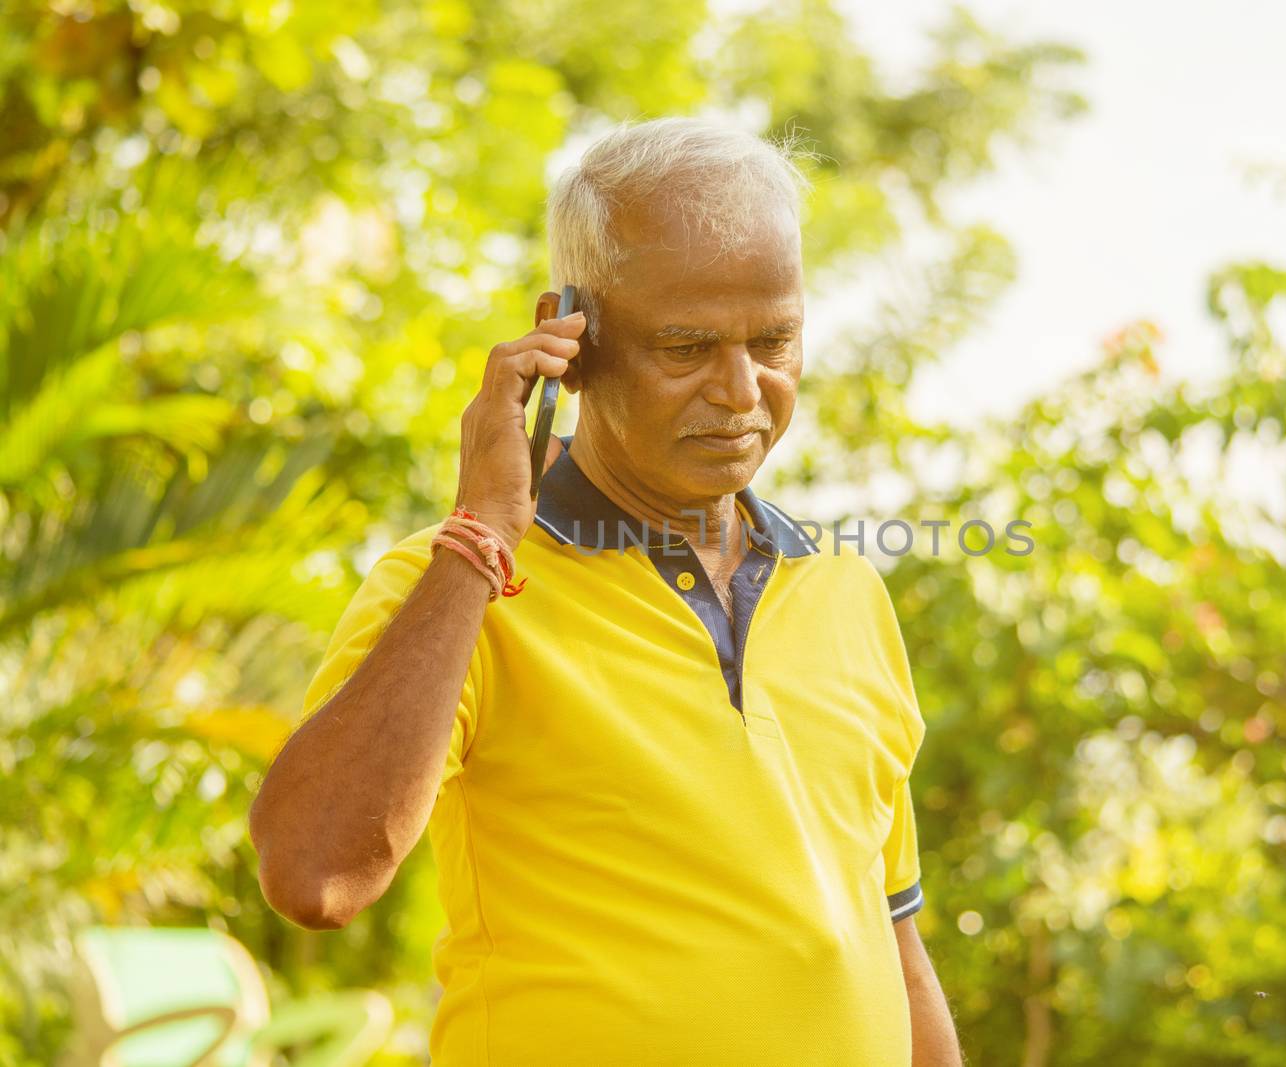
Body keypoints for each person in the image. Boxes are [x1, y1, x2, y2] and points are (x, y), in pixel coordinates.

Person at [249, 116, 963, 1065]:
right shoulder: (457, 585)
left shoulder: (846, 592)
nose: (743, 389)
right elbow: (314, 874)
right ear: (569, 342)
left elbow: (888, 935)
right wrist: (483, 541)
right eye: (686, 347)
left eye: (774, 339)